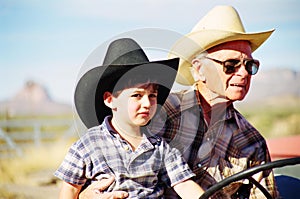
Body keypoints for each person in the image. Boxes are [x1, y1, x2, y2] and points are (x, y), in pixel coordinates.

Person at [79, 5, 279, 199]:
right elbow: (99, 163)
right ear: (199, 69)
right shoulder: (155, 113)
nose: (243, 73)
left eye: (250, 65)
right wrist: (85, 195)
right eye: (231, 65)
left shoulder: (253, 141)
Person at [54, 38, 205, 199]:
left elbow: (184, 184)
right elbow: (70, 189)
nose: (147, 103)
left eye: (152, 96)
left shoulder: (161, 148)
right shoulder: (88, 144)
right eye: (137, 95)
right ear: (110, 100)